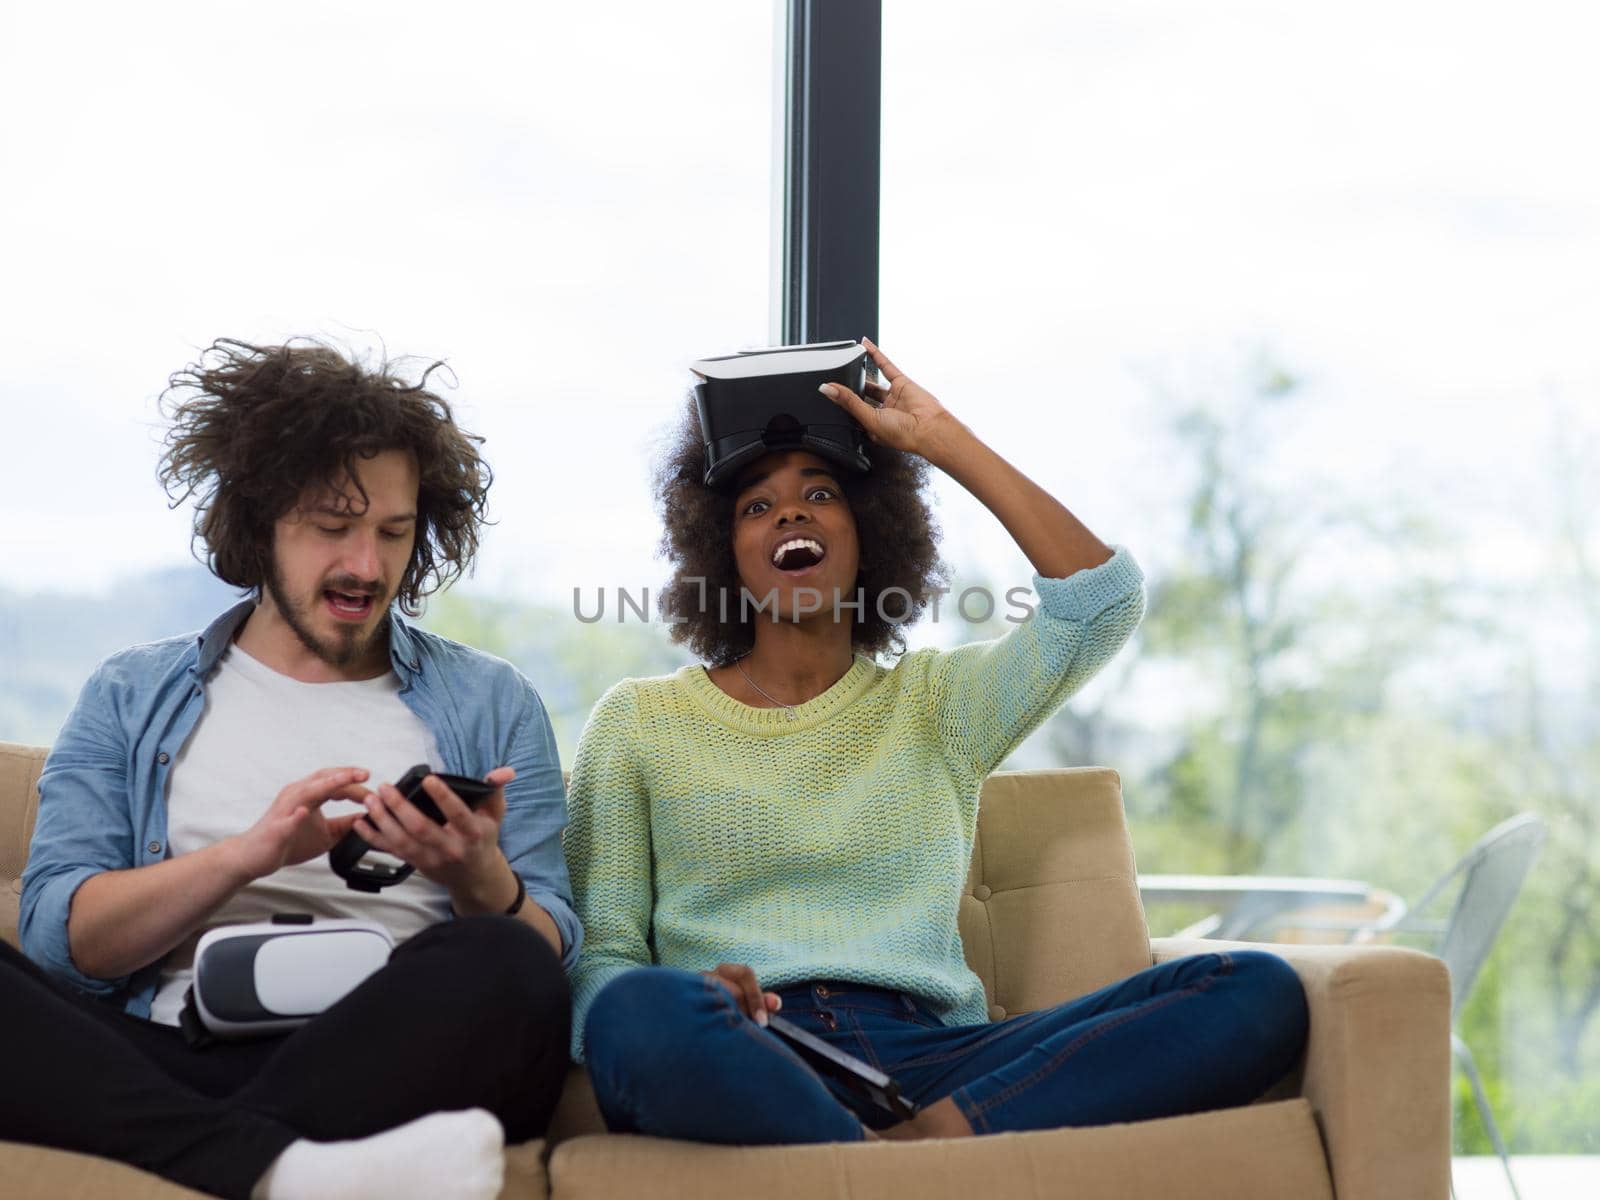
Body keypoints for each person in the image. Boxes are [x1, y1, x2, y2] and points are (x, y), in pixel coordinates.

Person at [566, 338, 1308, 1144]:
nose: (791, 512)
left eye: (822, 493)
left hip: (934, 1065)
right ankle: (902, 1164)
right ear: (724, 553)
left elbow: (1100, 603)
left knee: (1253, 987)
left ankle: (915, 1147)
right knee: (635, 1011)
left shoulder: (938, 704)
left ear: (870, 533)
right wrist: (702, 994)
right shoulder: (638, 720)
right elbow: (600, 960)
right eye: (756, 505)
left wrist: (941, 441)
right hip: (748, 1047)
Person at [6, 340, 579, 1200]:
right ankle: (289, 1169)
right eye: (331, 526)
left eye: (393, 531)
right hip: (168, 1053)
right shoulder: (129, 692)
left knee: (506, 962)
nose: (367, 566)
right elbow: (61, 941)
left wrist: (478, 876)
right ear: (260, 522)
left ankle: (226, 1160)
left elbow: (547, 968)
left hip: (392, 1062)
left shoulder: (494, 701)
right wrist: (250, 853)